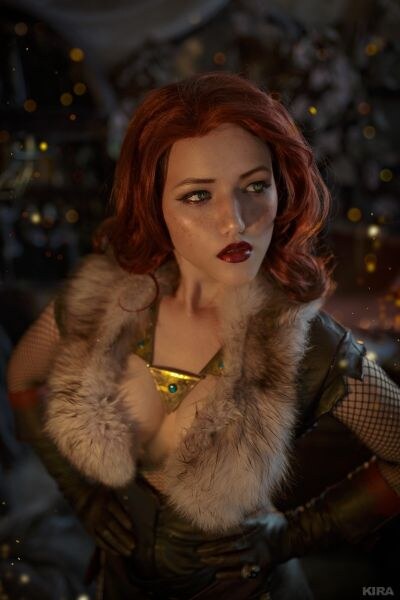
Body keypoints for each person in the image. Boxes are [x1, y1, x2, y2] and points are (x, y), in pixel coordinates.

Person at [7, 72, 400, 600]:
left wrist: (296, 534)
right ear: (154, 203)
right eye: (197, 195)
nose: (234, 222)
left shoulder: (309, 345)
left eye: (255, 186)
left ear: (282, 188)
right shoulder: (106, 302)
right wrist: (81, 494)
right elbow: (23, 376)